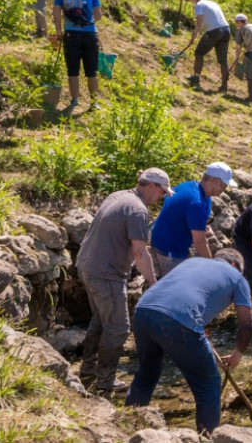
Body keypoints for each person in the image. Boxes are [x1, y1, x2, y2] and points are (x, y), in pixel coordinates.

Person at [125, 250, 252, 434]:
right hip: (178, 321)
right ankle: (206, 437)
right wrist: (237, 355)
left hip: (143, 311)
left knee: (146, 376)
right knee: (209, 385)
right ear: (234, 265)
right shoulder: (237, 277)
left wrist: (207, 354)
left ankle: (127, 426)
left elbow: (186, 303)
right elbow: (247, 326)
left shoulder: (192, 263)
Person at [76, 168, 172, 394]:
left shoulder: (118, 196)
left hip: (87, 265)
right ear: (151, 186)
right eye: (162, 193)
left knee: (101, 321)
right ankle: (105, 381)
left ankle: (88, 370)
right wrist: (154, 283)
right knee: (119, 328)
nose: (161, 198)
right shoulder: (138, 210)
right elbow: (140, 251)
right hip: (106, 273)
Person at [150, 162, 237, 278]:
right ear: (215, 181)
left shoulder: (192, 187)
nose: (225, 189)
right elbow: (199, 242)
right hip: (168, 250)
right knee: (175, 286)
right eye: (224, 185)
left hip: (167, 240)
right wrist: (212, 267)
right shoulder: (196, 203)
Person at [51, 0, 102, 108]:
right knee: (92, 70)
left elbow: (56, 14)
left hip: (71, 34)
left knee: (73, 69)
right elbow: (98, 15)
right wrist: (87, 21)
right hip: (90, 34)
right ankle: (94, 102)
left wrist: (58, 32)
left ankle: (74, 100)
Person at [182, 0, 231, 91]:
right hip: (226, 30)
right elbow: (213, 18)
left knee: (199, 52)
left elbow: (199, 23)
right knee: (223, 60)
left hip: (214, 31)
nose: (191, 1)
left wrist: (192, 38)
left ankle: (196, 77)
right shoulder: (212, 3)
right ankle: (224, 86)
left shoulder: (198, 5)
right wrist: (203, 29)